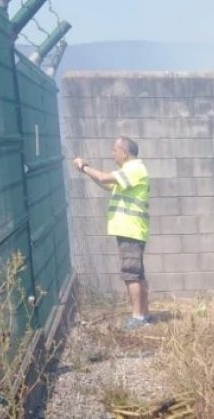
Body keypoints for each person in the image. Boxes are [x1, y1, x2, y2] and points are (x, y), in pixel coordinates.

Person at [73, 137, 152, 330]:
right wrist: (90, 171)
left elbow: (103, 178)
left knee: (131, 274)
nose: (112, 153)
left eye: (114, 150)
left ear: (124, 152)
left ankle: (138, 318)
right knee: (137, 274)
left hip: (130, 229)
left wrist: (84, 167)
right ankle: (144, 315)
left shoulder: (134, 169)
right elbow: (106, 184)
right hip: (131, 229)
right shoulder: (129, 172)